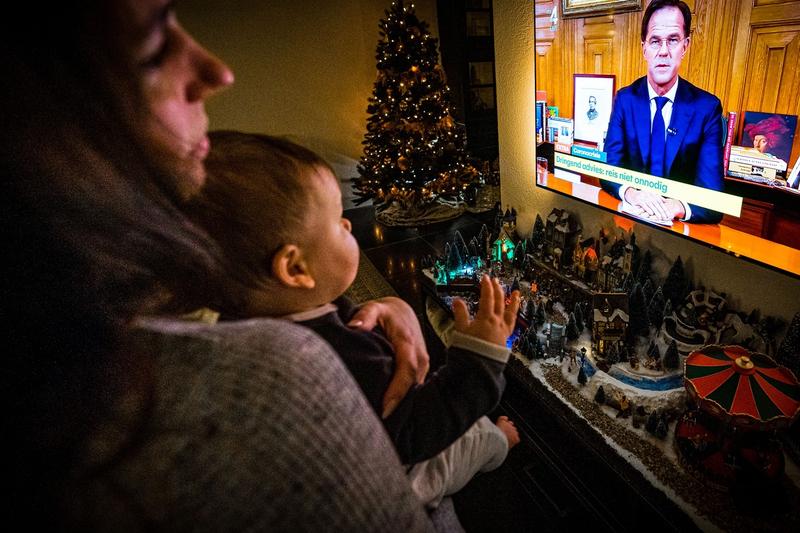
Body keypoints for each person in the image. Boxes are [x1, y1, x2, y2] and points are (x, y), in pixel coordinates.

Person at [3, 1, 439, 529]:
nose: (218, 71)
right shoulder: (265, 381)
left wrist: (378, 305)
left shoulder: (175, 298)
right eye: (153, 49)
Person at [187, 131, 522, 509]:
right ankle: (501, 445)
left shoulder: (248, 320)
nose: (349, 226)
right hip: (401, 474)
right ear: (295, 268)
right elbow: (415, 433)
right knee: (477, 435)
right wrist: (480, 358)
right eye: (337, 220)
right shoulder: (330, 355)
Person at [602, 0, 724, 224]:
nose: (664, 51)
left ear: (685, 46)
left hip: (680, 234)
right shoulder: (624, 99)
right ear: (644, 48)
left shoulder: (707, 109)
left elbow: (714, 198)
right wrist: (632, 193)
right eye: (655, 41)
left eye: (673, 40)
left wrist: (676, 206)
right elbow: (609, 170)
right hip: (629, 221)